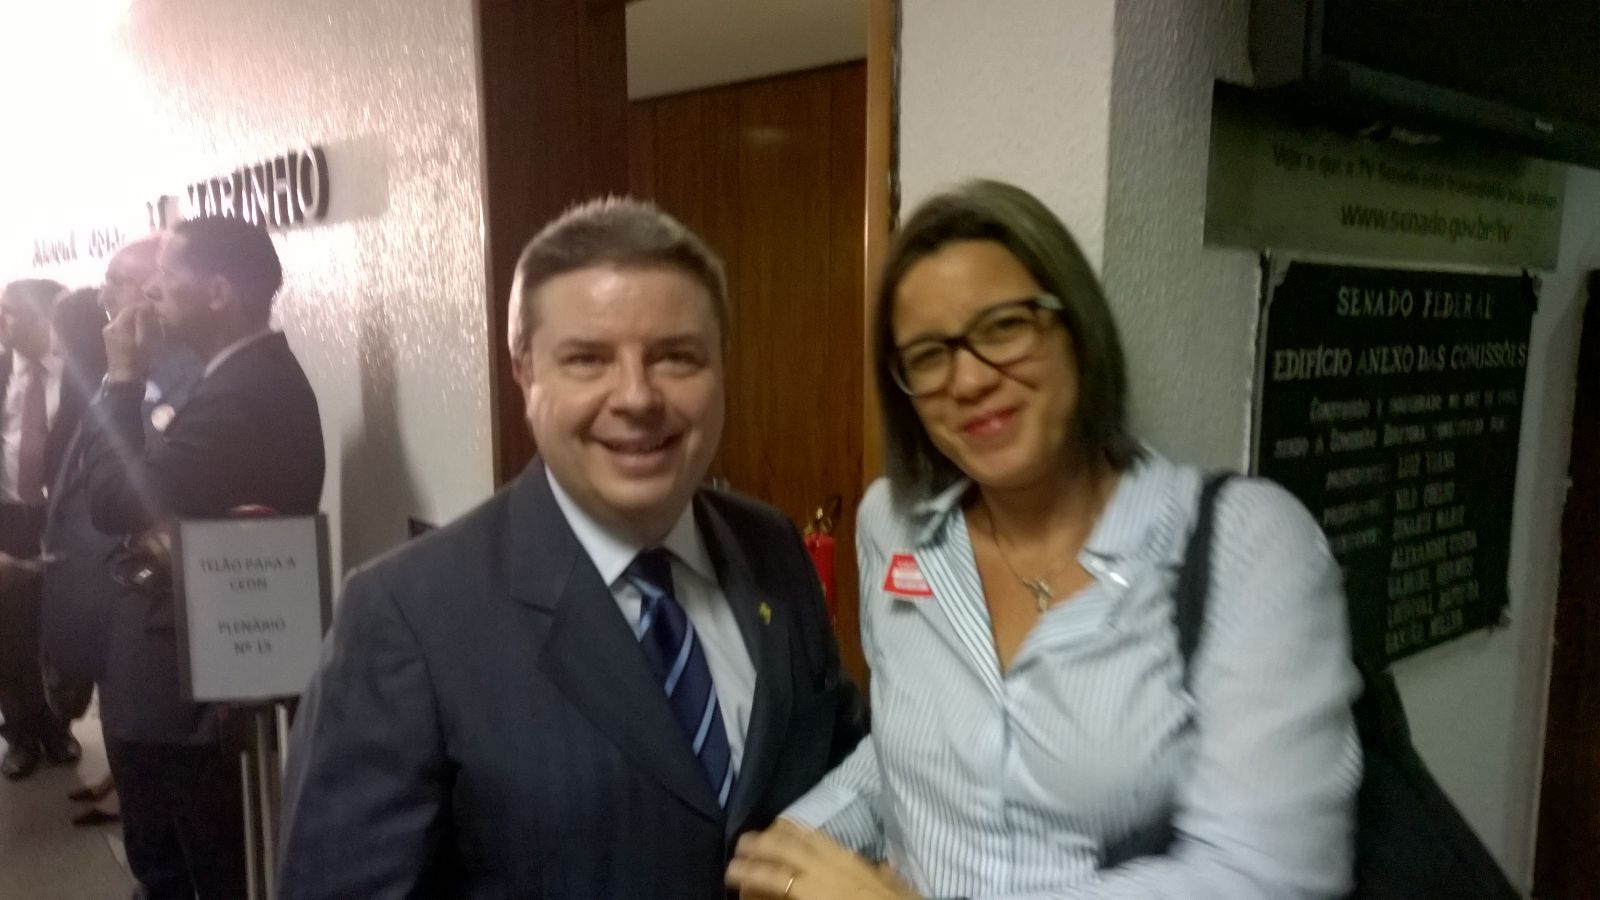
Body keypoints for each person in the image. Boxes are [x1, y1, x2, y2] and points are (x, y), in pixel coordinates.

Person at [727, 180, 1362, 899]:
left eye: (1003, 327)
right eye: (929, 355)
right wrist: (793, 849)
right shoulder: (893, 527)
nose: (968, 380)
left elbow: (1267, 875)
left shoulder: (1247, 544)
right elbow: (906, 757)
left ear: (1076, 329)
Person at [279, 197, 865, 898]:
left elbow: (844, 777)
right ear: (525, 372)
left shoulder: (771, 546)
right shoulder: (406, 617)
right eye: (588, 359)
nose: (637, 397)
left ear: (722, 366)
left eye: (676, 357)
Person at [74, 216, 325, 900]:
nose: (153, 292)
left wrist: (121, 380)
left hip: (199, 686)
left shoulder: (248, 392)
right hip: (177, 673)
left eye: (167, 276)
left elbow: (115, 499)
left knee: (196, 871)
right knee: (174, 865)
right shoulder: (235, 380)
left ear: (218, 292)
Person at [37, 242, 202, 834]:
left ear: (156, 290)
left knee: (174, 821)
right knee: (144, 805)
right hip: (117, 611)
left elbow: (132, 497)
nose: (102, 294)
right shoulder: (129, 370)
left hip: (157, 621)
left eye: (118, 281)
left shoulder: (187, 380)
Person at [0, 277, 86, 779]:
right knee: (7, 630)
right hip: (7, 515)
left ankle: (58, 727)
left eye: (14, 312)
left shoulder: (81, 375)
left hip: (61, 520)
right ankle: (19, 734)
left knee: (58, 623)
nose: (5, 323)